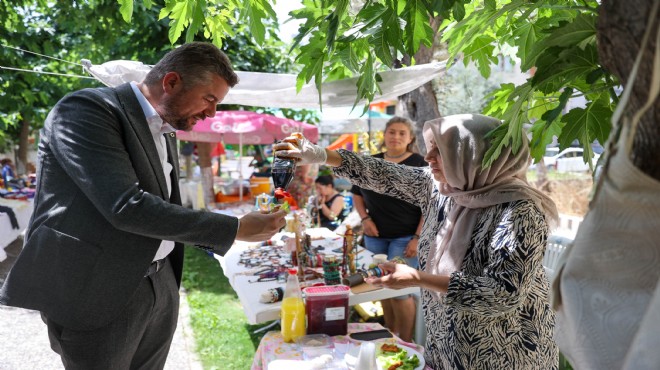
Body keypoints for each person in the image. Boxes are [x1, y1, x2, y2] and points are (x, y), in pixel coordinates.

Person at [0, 42, 287, 370]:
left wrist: (165, 286)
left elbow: (163, 205)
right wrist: (234, 228)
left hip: (159, 284)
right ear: (172, 82)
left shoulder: (166, 130)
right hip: (98, 291)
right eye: (209, 99)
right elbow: (126, 206)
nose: (212, 113)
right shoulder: (85, 110)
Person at [274, 114, 559, 369]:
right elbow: (383, 173)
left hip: (504, 351)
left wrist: (417, 278)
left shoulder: (519, 210)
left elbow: (502, 293)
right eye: (430, 146)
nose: (429, 156)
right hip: (447, 345)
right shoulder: (443, 189)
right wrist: (319, 154)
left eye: (442, 150)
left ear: (476, 156)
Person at [351, 116, 426, 343]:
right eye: (392, 132)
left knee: (401, 291)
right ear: (384, 135)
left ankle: (405, 342)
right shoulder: (371, 162)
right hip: (375, 237)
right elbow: (356, 194)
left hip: (405, 238)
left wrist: (417, 237)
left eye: (402, 133)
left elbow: (429, 203)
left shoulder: (420, 164)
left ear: (410, 138)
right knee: (380, 285)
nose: (396, 137)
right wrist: (365, 219)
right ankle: (390, 337)